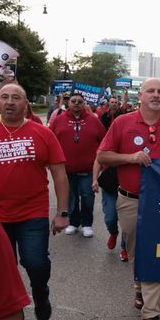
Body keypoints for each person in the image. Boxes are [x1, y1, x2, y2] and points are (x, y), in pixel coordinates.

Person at [97, 78, 160, 320]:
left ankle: (151, 314)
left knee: (155, 253)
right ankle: (139, 285)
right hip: (130, 200)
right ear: (140, 96)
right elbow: (102, 155)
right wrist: (130, 158)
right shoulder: (121, 123)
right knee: (135, 249)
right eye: (150, 90)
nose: (156, 95)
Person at [0, 84, 70, 320]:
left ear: (26, 104)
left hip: (32, 213)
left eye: (16, 97)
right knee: (0, 271)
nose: (9, 102)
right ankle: (11, 314)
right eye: (4, 97)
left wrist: (62, 212)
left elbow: (59, 173)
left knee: (36, 263)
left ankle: (40, 293)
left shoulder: (42, 133)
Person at [49, 92, 106, 238]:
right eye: (73, 101)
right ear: (68, 103)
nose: (76, 103)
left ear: (84, 104)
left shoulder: (94, 121)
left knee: (87, 197)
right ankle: (74, 222)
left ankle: (87, 224)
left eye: (80, 101)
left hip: (87, 170)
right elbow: (49, 141)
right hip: (66, 170)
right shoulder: (59, 120)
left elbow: (104, 141)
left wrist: (103, 161)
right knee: (70, 197)